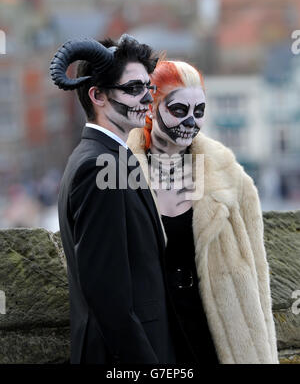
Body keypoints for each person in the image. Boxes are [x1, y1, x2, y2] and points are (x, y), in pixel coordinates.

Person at [127, 59, 279, 364]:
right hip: (153, 339)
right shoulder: (120, 174)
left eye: (200, 112)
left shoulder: (231, 178)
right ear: (150, 108)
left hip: (219, 338)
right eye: (179, 110)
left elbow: (259, 278)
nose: (191, 122)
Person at [50, 35, 179, 364]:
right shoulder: (97, 166)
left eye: (148, 87)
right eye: (134, 88)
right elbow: (107, 295)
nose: (147, 98)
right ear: (98, 95)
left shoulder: (112, 158)